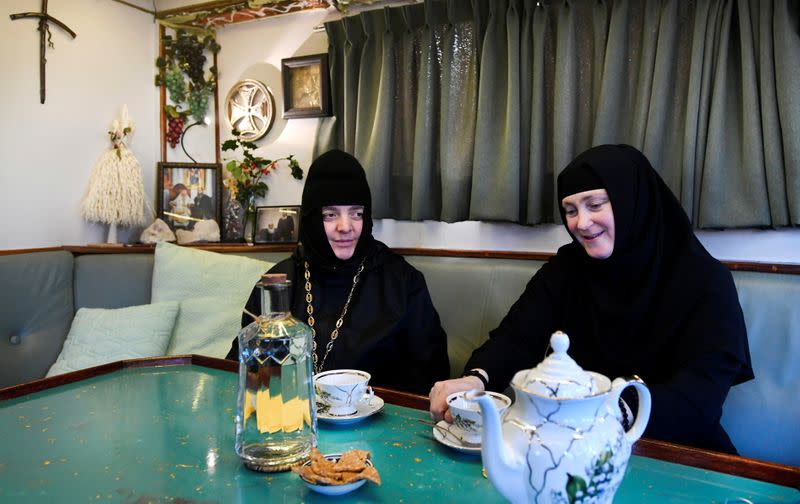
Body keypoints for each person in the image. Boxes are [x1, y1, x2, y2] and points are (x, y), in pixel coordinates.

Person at [428, 144, 753, 454]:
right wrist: (476, 379)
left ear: (631, 201)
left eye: (595, 205)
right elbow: (517, 336)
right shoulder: (568, 267)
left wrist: (608, 415)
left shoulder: (704, 279)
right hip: (574, 443)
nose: (581, 223)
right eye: (570, 210)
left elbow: (701, 394)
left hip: (674, 449)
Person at [226, 150, 450, 395]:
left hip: (380, 426)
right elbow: (244, 374)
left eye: (356, 213)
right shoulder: (277, 285)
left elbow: (431, 377)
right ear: (311, 218)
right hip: (292, 424)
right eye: (330, 214)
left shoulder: (403, 282)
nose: (346, 227)